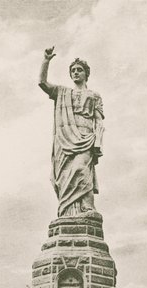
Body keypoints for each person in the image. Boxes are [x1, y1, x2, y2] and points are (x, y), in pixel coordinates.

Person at [39, 46, 105, 217]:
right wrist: (46, 61)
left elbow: (98, 120)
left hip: (86, 136)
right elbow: (43, 83)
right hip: (65, 139)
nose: (76, 73)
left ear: (86, 74)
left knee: (82, 170)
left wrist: (98, 142)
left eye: (79, 70)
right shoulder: (62, 92)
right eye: (73, 70)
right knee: (65, 176)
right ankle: (69, 212)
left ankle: (88, 207)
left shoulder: (94, 95)